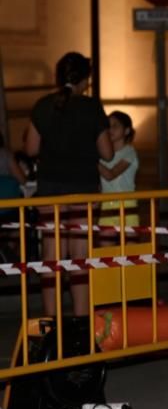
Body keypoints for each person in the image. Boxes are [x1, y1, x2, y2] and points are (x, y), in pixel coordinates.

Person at [25, 52, 113, 317]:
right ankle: (81, 322)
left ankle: (51, 322)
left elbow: (30, 149)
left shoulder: (42, 106)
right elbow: (107, 153)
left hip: (50, 188)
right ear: (85, 79)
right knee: (80, 256)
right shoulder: (91, 107)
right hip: (83, 188)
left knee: (52, 255)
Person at [98, 110, 140, 228]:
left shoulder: (129, 152)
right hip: (107, 205)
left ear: (126, 131)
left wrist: (93, 159)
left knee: (130, 244)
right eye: (108, 126)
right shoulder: (101, 154)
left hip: (127, 204)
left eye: (115, 126)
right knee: (106, 244)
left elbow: (110, 175)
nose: (110, 130)